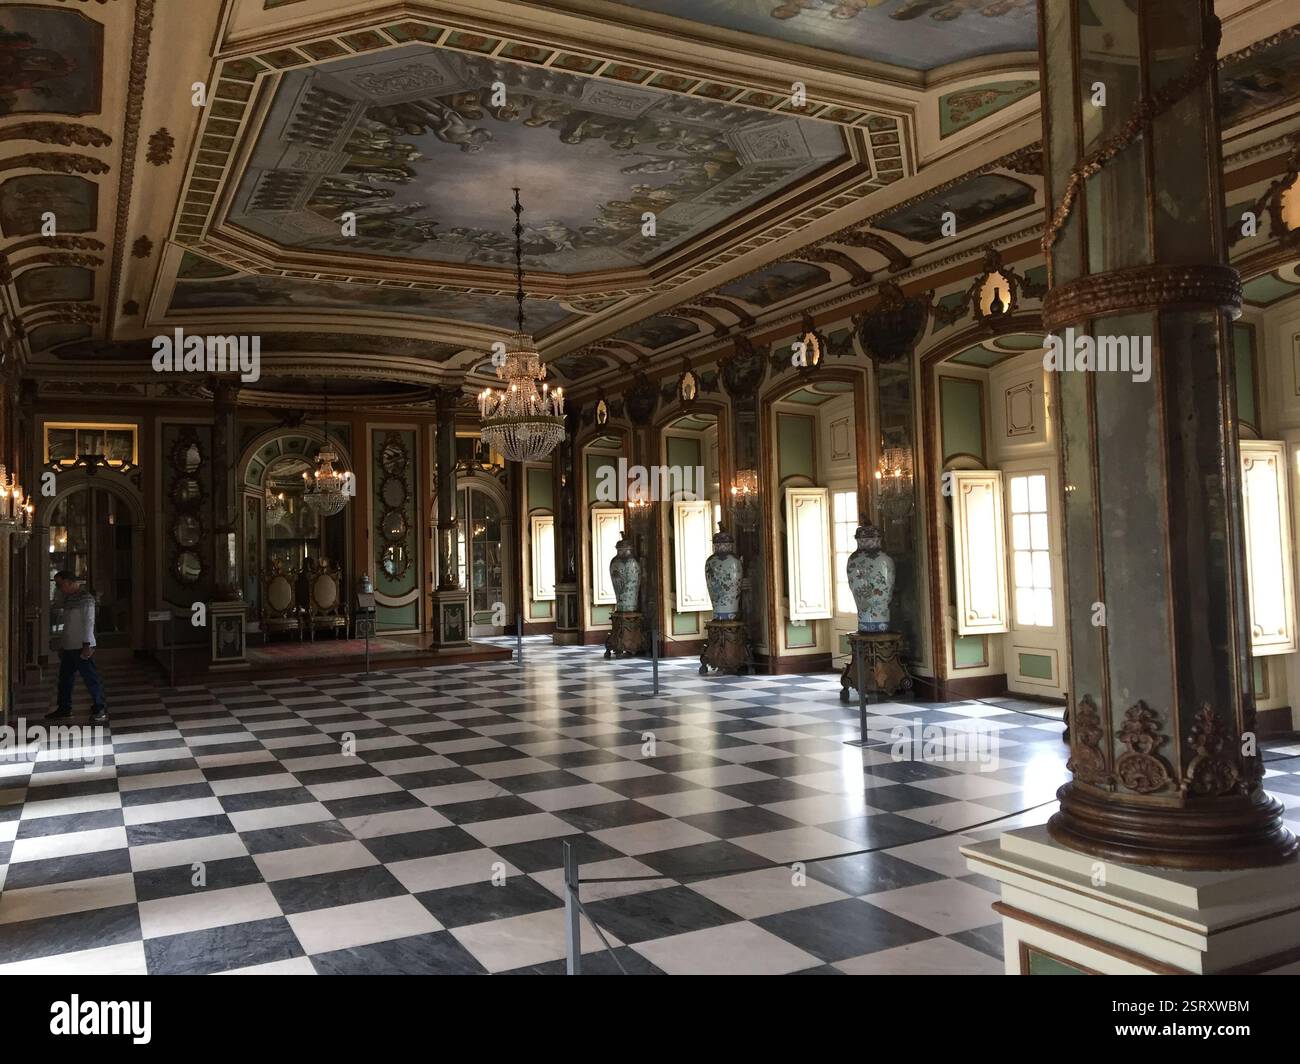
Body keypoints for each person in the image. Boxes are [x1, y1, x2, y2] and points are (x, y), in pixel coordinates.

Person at [46, 571, 107, 725]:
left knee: (90, 678)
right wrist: (63, 644)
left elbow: (89, 622)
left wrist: (87, 644)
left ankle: (99, 709)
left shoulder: (85, 598)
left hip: (82, 646)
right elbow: (67, 625)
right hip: (69, 646)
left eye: (60, 584)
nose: (59, 588)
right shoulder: (68, 599)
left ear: (69, 581)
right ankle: (64, 708)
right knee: (65, 679)